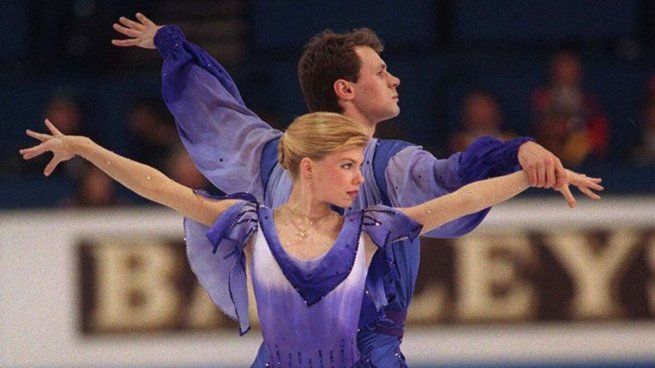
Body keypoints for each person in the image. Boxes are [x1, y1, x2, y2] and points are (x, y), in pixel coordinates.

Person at [111, 14, 600, 367]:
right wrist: (518, 154)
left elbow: (216, 113)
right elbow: (456, 178)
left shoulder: (270, 154)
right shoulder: (387, 165)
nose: (395, 79)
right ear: (345, 89)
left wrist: (174, 48)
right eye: (381, 72)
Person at [20, 114, 602, 367]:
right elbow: (162, 187)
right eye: (348, 166)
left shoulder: (369, 231)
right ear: (308, 167)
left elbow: (459, 201)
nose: (359, 179)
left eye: (360, 166)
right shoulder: (250, 225)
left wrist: (533, 175)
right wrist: (88, 149)